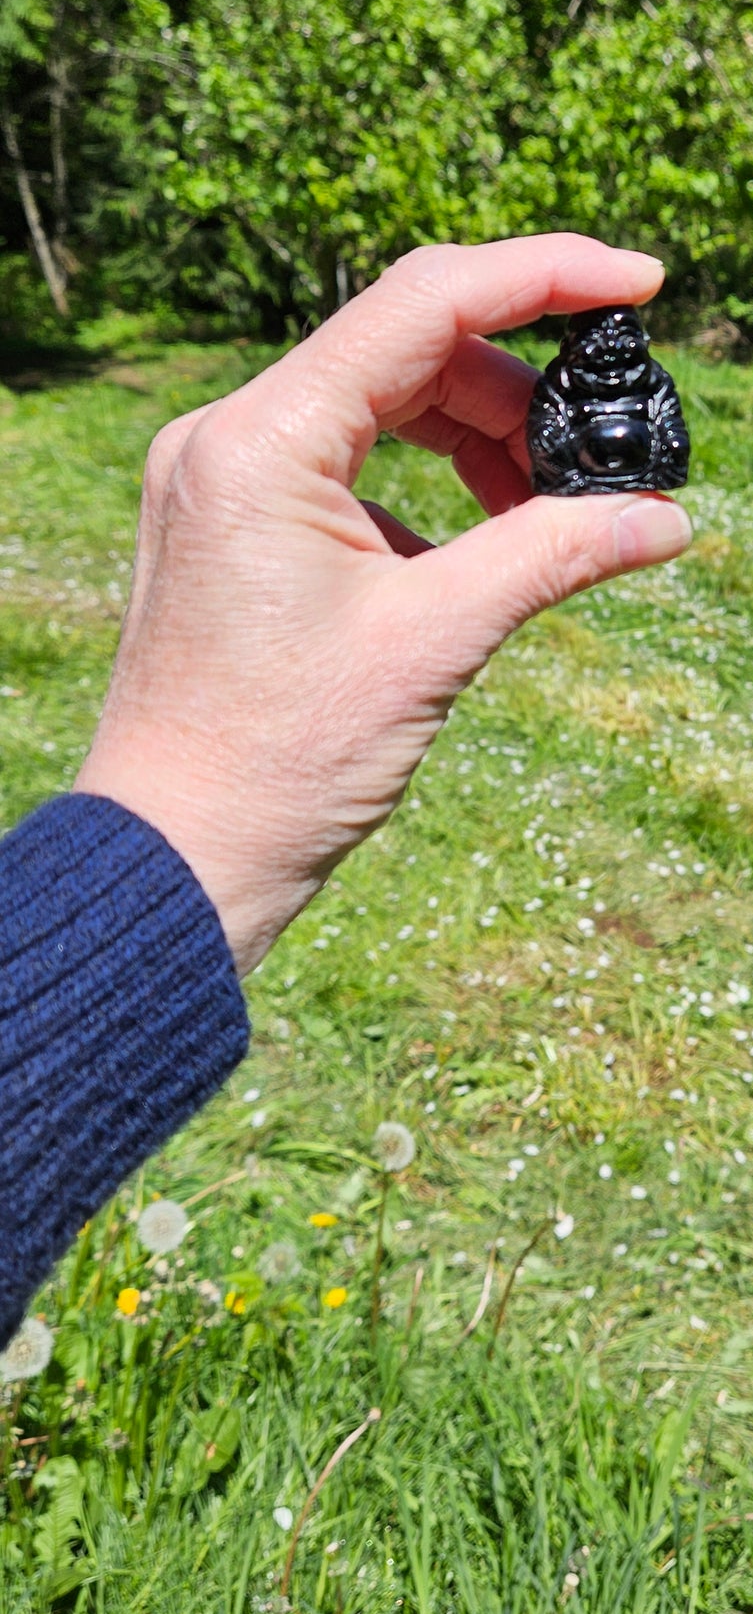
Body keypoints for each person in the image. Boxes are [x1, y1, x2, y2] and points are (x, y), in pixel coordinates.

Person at [0, 234, 692, 1347]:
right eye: (597, 339)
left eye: (620, 343)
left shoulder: (612, 383)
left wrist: (161, 843)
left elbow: (639, 426)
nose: (611, 350)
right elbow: (565, 428)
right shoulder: (564, 394)